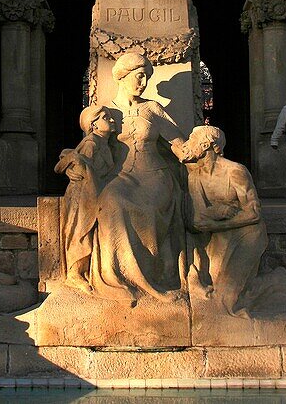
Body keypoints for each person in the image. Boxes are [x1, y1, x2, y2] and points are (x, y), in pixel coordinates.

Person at [93, 52, 190, 304]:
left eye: (146, 78)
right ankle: (122, 277)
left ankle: (154, 277)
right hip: (123, 176)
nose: (143, 83)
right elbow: (93, 145)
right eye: (139, 77)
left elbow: (179, 144)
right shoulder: (107, 113)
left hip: (155, 177)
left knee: (148, 207)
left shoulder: (152, 108)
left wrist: (204, 155)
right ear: (123, 77)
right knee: (111, 201)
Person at [184, 126, 267, 316]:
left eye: (192, 139)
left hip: (247, 233)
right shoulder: (195, 177)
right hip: (218, 236)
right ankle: (274, 282)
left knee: (226, 297)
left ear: (206, 145)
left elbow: (254, 213)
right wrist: (219, 212)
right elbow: (199, 219)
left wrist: (217, 222)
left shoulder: (235, 171)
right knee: (216, 286)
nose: (188, 143)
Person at [54, 105, 117, 293]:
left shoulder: (103, 143)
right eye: (106, 117)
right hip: (82, 196)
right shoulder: (92, 143)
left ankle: (82, 271)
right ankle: (75, 274)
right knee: (79, 231)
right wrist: (75, 168)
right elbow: (81, 168)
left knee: (86, 231)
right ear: (93, 125)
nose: (112, 120)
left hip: (93, 193)